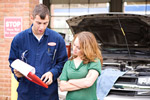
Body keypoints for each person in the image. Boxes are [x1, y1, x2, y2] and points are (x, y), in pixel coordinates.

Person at [8, 4, 68, 100]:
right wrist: (16, 72)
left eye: (45, 23)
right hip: (26, 94)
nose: (42, 27)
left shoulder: (57, 39)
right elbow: (12, 61)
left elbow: (63, 62)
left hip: (49, 95)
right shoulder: (19, 39)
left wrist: (53, 73)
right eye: (38, 23)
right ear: (32, 18)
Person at [59, 31, 103, 100]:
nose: (74, 49)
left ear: (87, 48)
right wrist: (83, 83)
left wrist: (71, 81)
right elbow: (62, 87)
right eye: (74, 45)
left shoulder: (94, 61)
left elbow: (88, 82)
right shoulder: (68, 63)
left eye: (79, 48)